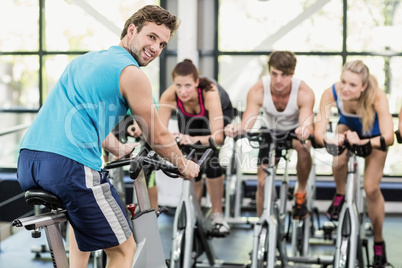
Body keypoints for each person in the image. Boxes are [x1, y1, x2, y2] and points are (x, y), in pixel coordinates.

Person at [16, 5, 200, 268]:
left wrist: (117, 147)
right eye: (151, 37)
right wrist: (184, 165)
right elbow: (157, 134)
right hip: (69, 166)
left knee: (81, 220)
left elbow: (75, 117)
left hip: (28, 162)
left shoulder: (83, 61)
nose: (156, 48)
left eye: (162, 44)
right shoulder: (132, 74)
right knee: (124, 250)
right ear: (131, 30)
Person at [314, 60, 394, 268]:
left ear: (363, 87)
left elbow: (389, 136)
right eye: (343, 82)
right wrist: (330, 140)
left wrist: (364, 142)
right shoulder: (331, 93)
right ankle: (340, 193)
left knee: (371, 189)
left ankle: (378, 243)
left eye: (352, 85)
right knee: (338, 157)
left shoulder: (377, 96)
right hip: (347, 128)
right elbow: (318, 131)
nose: (346, 89)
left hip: (373, 136)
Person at [224, 50, 315, 220]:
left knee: (304, 147)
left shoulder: (304, 92)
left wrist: (305, 130)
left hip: (294, 130)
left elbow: (306, 124)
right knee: (262, 183)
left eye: (284, 75)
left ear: (292, 74)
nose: (279, 80)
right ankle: (262, 228)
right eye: (275, 74)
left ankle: (301, 192)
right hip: (270, 131)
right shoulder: (258, 90)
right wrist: (238, 128)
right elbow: (248, 122)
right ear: (269, 71)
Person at [158, 59, 233, 236]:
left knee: (212, 159)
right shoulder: (169, 95)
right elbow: (159, 132)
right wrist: (172, 138)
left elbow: (218, 137)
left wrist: (191, 138)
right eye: (178, 85)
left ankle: (217, 215)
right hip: (190, 119)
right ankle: (194, 213)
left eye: (188, 85)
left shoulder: (210, 93)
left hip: (218, 113)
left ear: (197, 83)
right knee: (188, 158)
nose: (182, 91)